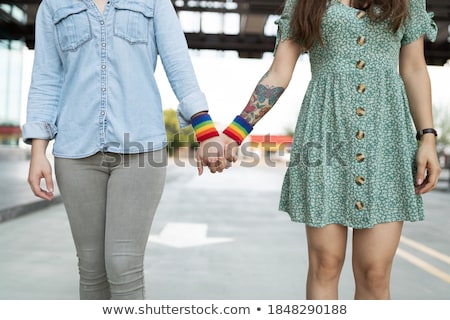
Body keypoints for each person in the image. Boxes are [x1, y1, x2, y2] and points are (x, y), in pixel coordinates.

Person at [221, 0, 441, 299]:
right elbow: (278, 74)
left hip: (387, 138)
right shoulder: (303, 3)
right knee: (326, 264)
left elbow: (414, 67)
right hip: (326, 134)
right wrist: (235, 132)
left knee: (374, 272)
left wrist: (427, 137)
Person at [23, 0, 226, 300]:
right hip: (75, 152)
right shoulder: (53, 5)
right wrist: (38, 150)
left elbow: (178, 64)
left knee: (123, 264)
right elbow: (46, 79)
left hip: (141, 148)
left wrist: (205, 130)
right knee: (91, 268)